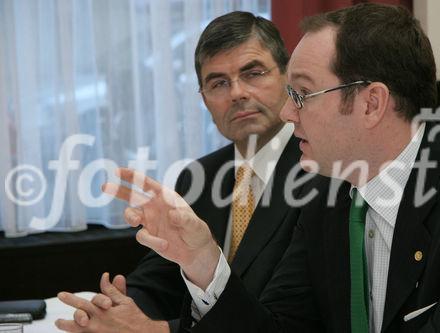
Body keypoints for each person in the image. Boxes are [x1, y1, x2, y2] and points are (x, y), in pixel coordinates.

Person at [71, 3, 440, 333]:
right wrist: (203, 260)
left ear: (371, 103)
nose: (289, 114)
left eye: (303, 94)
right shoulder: (328, 195)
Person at [55, 11, 324, 333]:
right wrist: (117, 308)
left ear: (286, 77)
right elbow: (161, 276)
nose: (237, 93)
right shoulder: (200, 175)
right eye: (218, 83)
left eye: (252, 73)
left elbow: (290, 315)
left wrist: (160, 330)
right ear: (204, 99)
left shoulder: (324, 171)